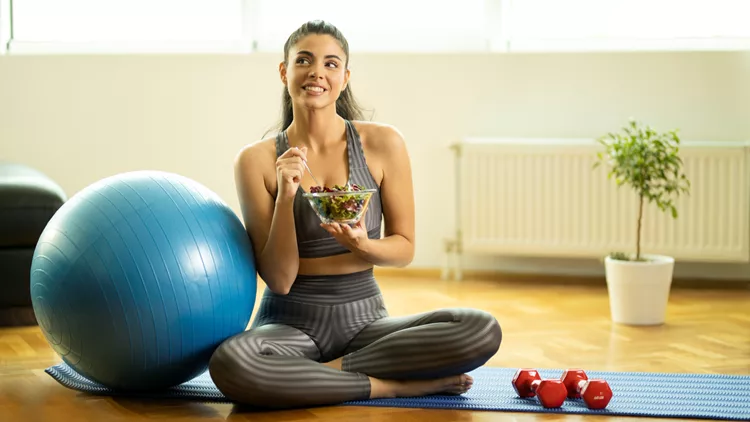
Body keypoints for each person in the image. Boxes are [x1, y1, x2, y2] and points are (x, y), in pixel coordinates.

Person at [208, 20, 502, 409]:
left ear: (345, 78)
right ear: (284, 71)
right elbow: (278, 280)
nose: (317, 73)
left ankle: (316, 376)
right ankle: (393, 387)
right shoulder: (255, 160)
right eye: (304, 61)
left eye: (331, 64)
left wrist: (364, 245)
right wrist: (285, 196)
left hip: (367, 323)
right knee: (232, 363)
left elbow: (405, 248)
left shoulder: (383, 143)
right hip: (289, 324)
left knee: (480, 330)